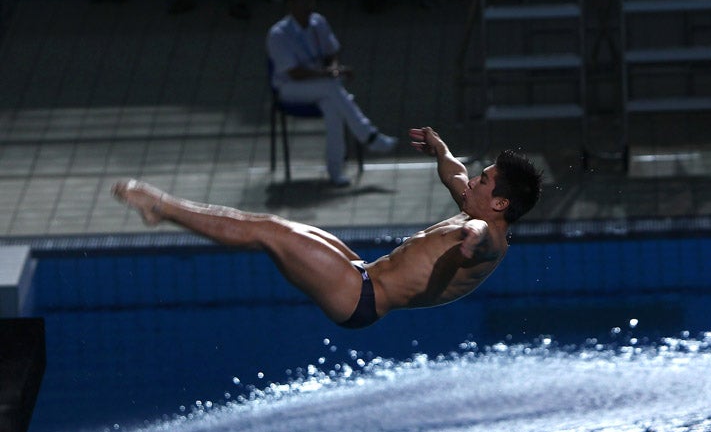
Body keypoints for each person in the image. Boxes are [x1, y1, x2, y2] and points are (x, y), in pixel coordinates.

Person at [112, 127, 542, 329]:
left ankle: (162, 208)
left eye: (482, 180)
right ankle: (164, 209)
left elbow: (484, 243)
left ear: (500, 204)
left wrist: (472, 238)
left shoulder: (490, 238)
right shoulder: (475, 208)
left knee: (268, 231)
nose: (472, 181)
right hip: (362, 273)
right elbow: (452, 174)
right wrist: (440, 147)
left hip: (360, 298)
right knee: (271, 227)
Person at [267, 0, 398, 186]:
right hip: (290, 88)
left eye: (311, 0)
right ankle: (368, 135)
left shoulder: (318, 22)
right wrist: (328, 74)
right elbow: (294, 73)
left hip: (322, 84)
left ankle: (335, 170)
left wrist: (335, 68)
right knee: (331, 88)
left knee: (333, 108)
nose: (308, 6)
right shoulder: (278, 34)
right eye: (303, 0)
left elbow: (331, 52)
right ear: (291, 3)